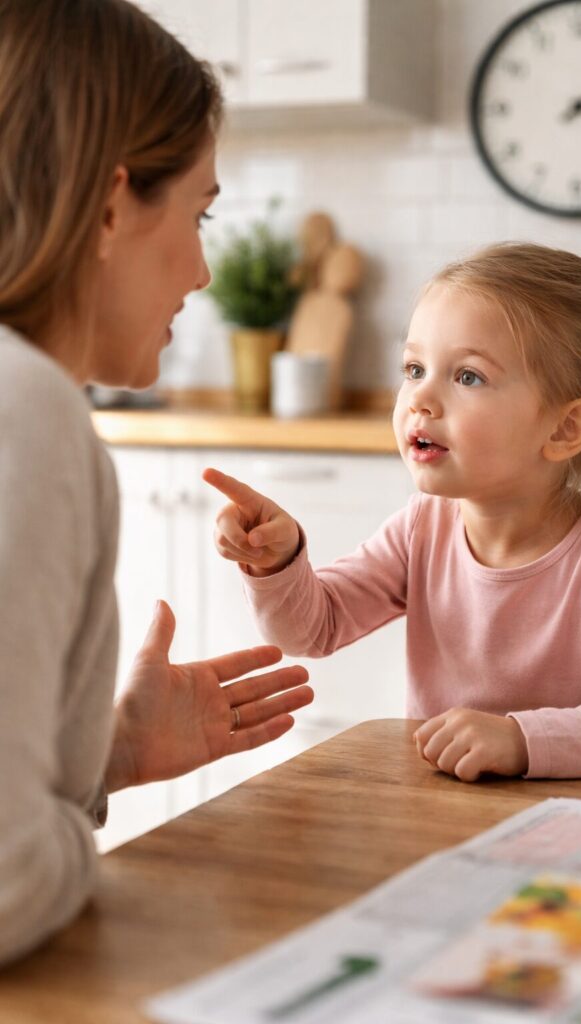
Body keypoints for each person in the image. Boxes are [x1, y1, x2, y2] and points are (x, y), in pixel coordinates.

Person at [0, 0, 313, 967]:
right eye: (198, 213)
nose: (204, 269)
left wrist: (108, 755)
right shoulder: (23, 405)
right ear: (109, 207)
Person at [204, 241, 581, 783]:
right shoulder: (420, 529)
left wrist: (521, 740)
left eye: (467, 377)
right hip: (439, 814)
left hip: (576, 822)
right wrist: (278, 560)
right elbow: (311, 629)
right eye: (414, 368)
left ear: (564, 429)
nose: (419, 399)